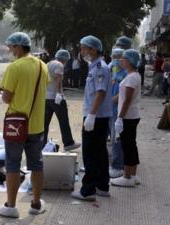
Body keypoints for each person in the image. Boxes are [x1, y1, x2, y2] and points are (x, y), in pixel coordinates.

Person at [0, 32, 50, 218]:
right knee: (36, 165)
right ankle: (35, 203)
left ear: (18, 47)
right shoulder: (43, 66)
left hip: (16, 126)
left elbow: (7, 97)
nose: (9, 49)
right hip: (36, 124)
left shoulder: (15, 67)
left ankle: (11, 206)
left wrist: (0, 97)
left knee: (12, 165)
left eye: (11, 46)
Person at [71, 35, 112, 201]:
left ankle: (87, 190)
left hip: (96, 117)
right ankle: (102, 186)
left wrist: (91, 116)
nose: (81, 52)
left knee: (90, 153)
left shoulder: (100, 68)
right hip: (98, 116)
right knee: (100, 152)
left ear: (93, 50)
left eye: (83, 48)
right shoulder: (94, 66)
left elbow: (100, 93)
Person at [110, 49, 142, 187]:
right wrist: (110, 100)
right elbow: (122, 96)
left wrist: (120, 118)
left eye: (123, 59)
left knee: (127, 146)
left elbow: (127, 100)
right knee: (131, 145)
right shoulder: (132, 75)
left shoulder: (132, 77)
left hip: (127, 117)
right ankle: (133, 175)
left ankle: (127, 177)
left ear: (129, 61)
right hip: (131, 116)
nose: (120, 60)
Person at [44, 49, 81, 151]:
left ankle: (42, 143)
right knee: (63, 121)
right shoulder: (59, 65)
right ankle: (68, 143)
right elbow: (58, 79)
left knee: (44, 123)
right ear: (65, 59)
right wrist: (58, 94)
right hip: (56, 98)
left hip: (46, 97)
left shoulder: (47, 64)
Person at [108, 48, 127, 178]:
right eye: (113, 56)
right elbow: (111, 83)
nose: (115, 59)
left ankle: (118, 166)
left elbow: (123, 93)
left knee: (117, 138)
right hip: (111, 109)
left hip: (118, 109)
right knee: (113, 137)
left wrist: (110, 100)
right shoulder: (114, 69)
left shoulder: (126, 73)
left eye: (117, 57)